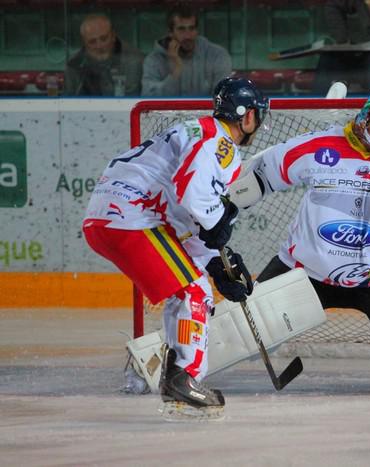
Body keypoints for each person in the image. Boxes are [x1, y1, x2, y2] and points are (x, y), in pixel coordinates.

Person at [82, 77, 269, 416]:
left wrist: (215, 260)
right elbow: (194, 195)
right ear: (248, 117)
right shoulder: (218, 141)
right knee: (194, 293)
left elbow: (184, 213)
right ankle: (183, 378)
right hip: (130, 216)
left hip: (112, 217)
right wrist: (219, 225)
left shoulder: (198, 132)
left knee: (188, 287)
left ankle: (177, 377)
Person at [232, 89, 370, 361]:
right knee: (243, 333)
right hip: (306, 269)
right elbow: (265, 174)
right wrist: (228, 201)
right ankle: (184, 365)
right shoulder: (317, 146)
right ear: (366, 123)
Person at [142, 4, 233, 96]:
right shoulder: (154, 60)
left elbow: (223, 97)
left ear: (197, 30)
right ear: (170, 32)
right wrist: (175, 73)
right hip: (167, 110)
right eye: (181, 29)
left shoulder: (217, 56)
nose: (188, 35)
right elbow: (147, 97)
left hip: (206, 110)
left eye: (191, 28)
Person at [64, 14, 143, 96]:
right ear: (84, 42)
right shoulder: (74, 65)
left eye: (104, 39)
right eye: (92, 42)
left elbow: (130, 101)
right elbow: (67, 101)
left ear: (113, 36)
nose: (99, 46)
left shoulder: (133, 60)